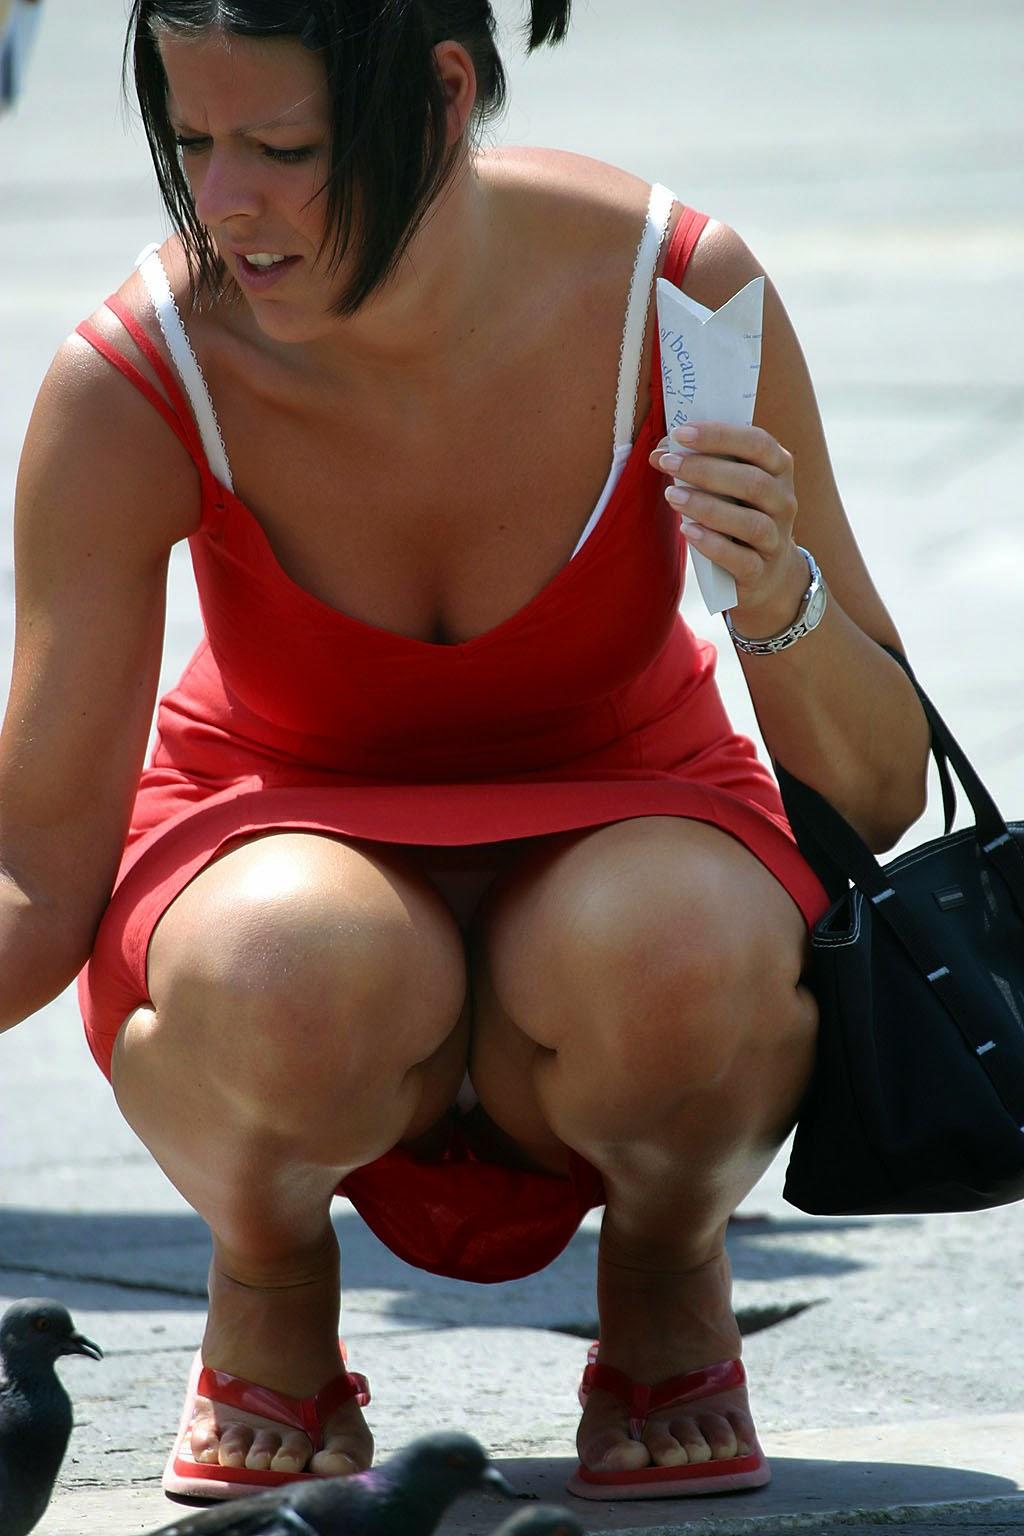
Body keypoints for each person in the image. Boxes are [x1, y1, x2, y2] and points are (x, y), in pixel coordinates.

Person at [0, 0, 931, 1507]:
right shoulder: (139, 373)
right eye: (191, 139)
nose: (223, 202)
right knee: (288, 967)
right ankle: (268, 1276)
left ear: (443, 99)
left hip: (643, 828)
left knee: (684, 950)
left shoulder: (674, 292)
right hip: (270, 843)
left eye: (281, 147)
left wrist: (779, 595)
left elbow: (878, 796)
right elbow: (33, 881)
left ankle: (669, 1265)